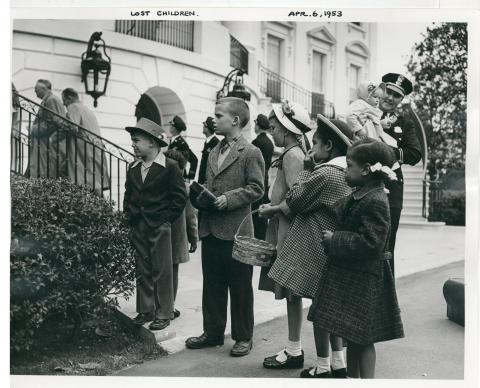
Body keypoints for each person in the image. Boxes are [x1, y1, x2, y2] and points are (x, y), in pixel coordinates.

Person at [259, 114, 353, 377]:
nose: (310, 149)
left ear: (329, 147)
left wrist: (308, 169)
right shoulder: (347, 172)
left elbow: (297, 197)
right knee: (330, 308)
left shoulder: (325, 172)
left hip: (314, 247)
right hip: (332, 247)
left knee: (320, 310)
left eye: (316, 143)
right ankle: (338, 362)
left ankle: (323, 367)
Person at [307, 139, 404, 379]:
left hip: (364, 278)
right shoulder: (364, 193)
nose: (344, 170)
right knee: (351, 333)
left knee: (364, 337)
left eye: (349, 165)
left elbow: (372, 243)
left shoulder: (376, 200)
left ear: (366, 169)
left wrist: (335, 240)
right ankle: (351, 378)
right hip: (354, 276)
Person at [185, 97, 265, 357]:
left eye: (219, 116)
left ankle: (243, 337)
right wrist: (199, 196)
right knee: (212, 284)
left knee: (240, 287)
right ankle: (213, 332)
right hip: (211, 229)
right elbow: (210, 183)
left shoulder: (251, 152)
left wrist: (228, 199)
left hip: (237, 231)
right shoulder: (212, 150)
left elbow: (257, 188)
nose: (214, 120)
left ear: (235, 120)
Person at [123, 117, 187, 331]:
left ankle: (164, 312)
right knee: (142, 269)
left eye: (136, 140)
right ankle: (146, 309)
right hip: (139, 225)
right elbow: (129, 195)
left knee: (162, 269)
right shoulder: (133, 167)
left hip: (159, 226)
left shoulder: (170, 167)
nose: (133, 144)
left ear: (151, 142)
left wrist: (165, 219)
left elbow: (179, 198)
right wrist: (129, 216)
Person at [379, 73, 422, 275]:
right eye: (388, 91)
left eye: (396, 95)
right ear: (381, 89)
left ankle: (385, 301)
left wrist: (384, 151)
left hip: (390, 189)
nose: (390, 97)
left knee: (386, 245)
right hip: (359, 184)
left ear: (401, 99)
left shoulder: (404, 123)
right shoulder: (363, 114)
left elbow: (414, 153)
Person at [163, 149, 199, 320]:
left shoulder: (158, 183)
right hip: (177, 236)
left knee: (158, 272)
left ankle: (159, 306)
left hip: (163, 233)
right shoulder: (185, 187)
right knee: (173, 272)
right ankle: (169, 307)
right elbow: (191, 216)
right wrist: (194, 238)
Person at [61, 88, 110, 193]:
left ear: (69, 98)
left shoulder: (73, 106)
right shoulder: (87, 109)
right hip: (96, 147)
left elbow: (73, 127)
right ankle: (104, 208)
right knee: (95, 182)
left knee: (82, 180)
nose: (64, 104)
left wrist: (62, 125)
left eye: (64, 100)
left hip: (84, 148)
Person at [27, 79, 66, 178]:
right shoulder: (49, 99)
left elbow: (54, 122)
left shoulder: (51, 100)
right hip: (46, 143)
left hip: (48, 144)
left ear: (44, 89)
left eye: (36, 88)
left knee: (45, 171)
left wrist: (34, 129)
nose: (34, 91)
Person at [251, 113, 274, 240]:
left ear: (258, 126)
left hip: (257, 179)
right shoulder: (270, 143)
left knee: (255, 213)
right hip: (265, 180)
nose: (254, 126)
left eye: (255, 123)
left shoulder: (256, 142)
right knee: (262, 213)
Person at [168, 115, 198, 181]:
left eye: (171, 125)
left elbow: (194, 160)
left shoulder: (182, 144)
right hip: (171, 175)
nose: (169, 127)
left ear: (174, 128)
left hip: (179, 177)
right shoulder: (172, 140)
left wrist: (189, 177)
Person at [198, 116, 220, 185]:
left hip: (209, 182)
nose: (203, 127)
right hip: (203, 180)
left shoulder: (216, 143)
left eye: (204, 126)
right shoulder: (207, 141)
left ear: (208, 128)